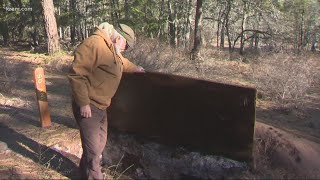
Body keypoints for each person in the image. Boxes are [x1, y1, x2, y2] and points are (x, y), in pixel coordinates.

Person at [68, 22, 145, 179]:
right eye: (127, 45)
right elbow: (77, 74)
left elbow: (122, 63)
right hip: (88, 105)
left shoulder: (112, 50)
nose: (126, 49)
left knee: (99, 145)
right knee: (94, 150)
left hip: (101, 106)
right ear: (119, 38)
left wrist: (136, 68)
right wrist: (83, 103)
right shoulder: (94, 43)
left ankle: (84, 174)